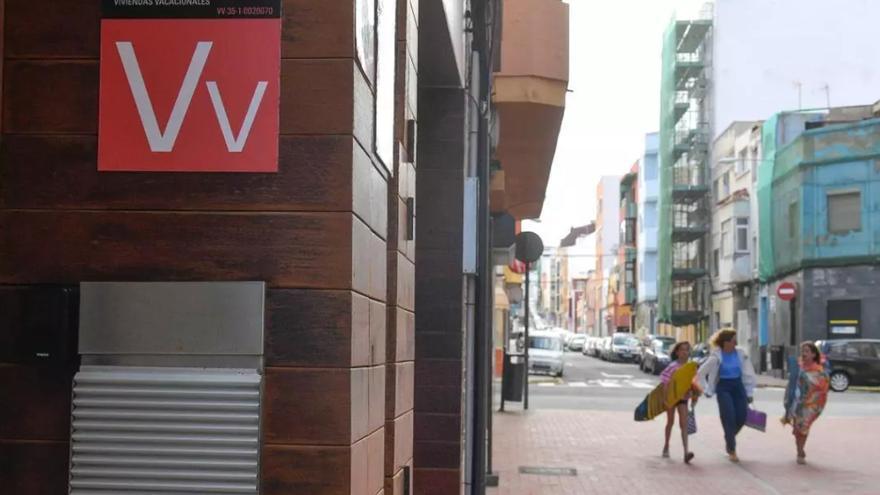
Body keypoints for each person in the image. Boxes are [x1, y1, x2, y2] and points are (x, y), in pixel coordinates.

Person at [697, 328, 757, 463]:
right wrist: (706, 389)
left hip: (738, 386)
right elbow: (701, 373)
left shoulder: (741, 354)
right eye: (733, 340)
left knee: (742, 416)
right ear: (725, 342)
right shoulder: (716, 356)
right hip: (724, 388)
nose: (735, 342)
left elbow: (748, 373)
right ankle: (732, 449)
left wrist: (749, 392)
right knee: (728, 416)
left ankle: (729, 436)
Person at [781, 342, 830, 465]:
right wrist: (788, 400)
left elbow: (823, 387)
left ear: (813, 354)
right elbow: (791, 385)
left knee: (804, 426)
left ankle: (800, 451)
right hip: (798, 403)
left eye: (807, 351)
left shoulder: (819, 370)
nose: (803, 354)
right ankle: (800, 449)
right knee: (798, 428)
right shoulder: (798, 367)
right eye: (803, 351)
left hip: (813, 403)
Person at [660, 341, 699, 463]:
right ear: (677, 352)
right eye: (682, 350)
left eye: (687, 350)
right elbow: (665, 383)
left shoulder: (690, 368)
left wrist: (694, 397)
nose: (684, 352)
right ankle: (666, 445)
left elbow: (694, 385)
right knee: (670, 422)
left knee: (684, 424)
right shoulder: (672, 366)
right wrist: (666, 399)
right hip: (672, 398)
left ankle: (686, 452)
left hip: (683, 399)